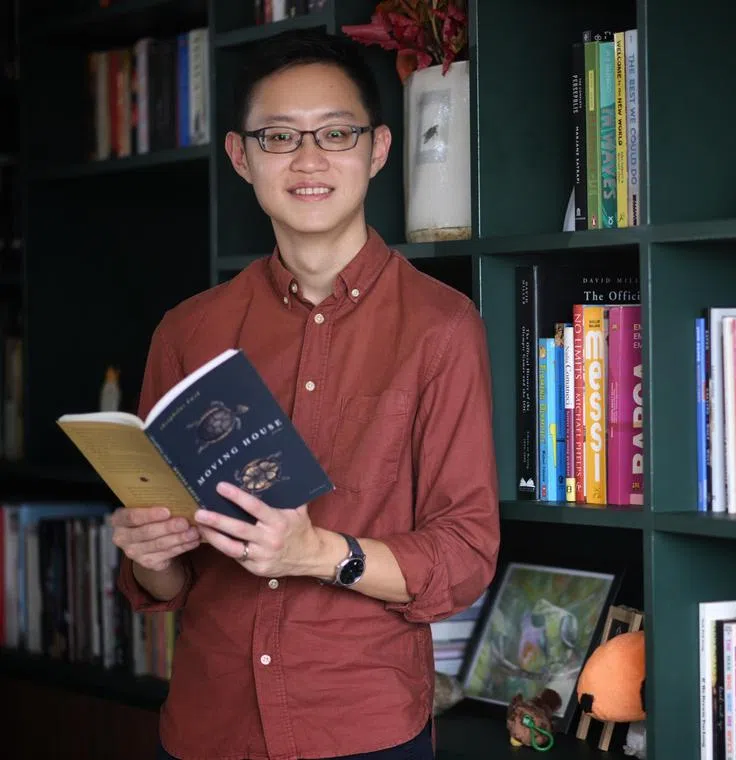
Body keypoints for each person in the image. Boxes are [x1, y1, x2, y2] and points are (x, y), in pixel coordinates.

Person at [109, 27, 500, 760]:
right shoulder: (189, 331)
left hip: (363, 729)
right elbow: (164, 578)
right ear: (240, 156)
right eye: (279, 137)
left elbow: (465, 555)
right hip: (207, 726)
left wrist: (320, 552)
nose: (309, 159)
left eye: (336, 133)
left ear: (379, 149)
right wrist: (147, 551)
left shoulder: (442, 328)